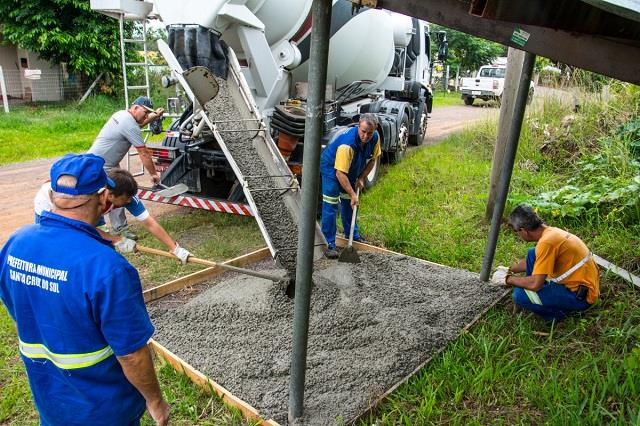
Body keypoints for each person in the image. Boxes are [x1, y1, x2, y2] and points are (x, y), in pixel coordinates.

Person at [0, 154, 170, 425]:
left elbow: (17, 306)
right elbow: (131, 354)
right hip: (103, 407)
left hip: (50, 399)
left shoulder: (15, 244)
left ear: (54, 194)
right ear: (104, 196)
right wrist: (155, 400)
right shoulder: (109, 269)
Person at [34, 167, 191, 263]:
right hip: (50, 202)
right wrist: (117, 239)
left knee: (104, 248)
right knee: (57, 243)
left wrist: (175, 248)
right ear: (110, 194)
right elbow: (81, 228)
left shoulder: (126, 195)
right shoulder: (89, 197)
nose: (130, 201)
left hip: (88, 211)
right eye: (126, 198)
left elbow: (150, 223)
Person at [493, 204, 600, 321]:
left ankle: (559, 314)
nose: (517, 234)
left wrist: (507, 279)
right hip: (583, 285)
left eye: (515, 231)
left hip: (580, 297)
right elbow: (537, 257)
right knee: (532, 253)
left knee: (520, 295)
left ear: (524, 231)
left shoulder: (547, 243)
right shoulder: (551, 233)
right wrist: (510, 269)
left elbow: (535, 284)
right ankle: (542, 294)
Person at [88, 96, 164, 240]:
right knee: (117, 194)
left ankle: (110, 229)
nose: (146, 116)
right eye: (145, 112)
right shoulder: (130, 124)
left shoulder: (121, 115)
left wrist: (154, 116)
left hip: (99, 161)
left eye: (148, 113)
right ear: (135, 108)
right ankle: (115, 231)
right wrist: (153, 174)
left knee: (110, 194)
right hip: (102, 166)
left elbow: (138, 125)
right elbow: (143, 152)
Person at [319, 113, 381, 259]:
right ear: (359, 126)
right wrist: (353, 193)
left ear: (375, 129)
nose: (366, 136)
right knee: (331, 204)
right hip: (331, 168)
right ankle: (329, 244)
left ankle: (353, 236)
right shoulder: (347, 145)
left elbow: (373, 160)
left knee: (349, 203)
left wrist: (361, 177)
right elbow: (340, 173)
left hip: (350, 167)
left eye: (369, 133)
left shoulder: (375, 137)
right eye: (363, 132)